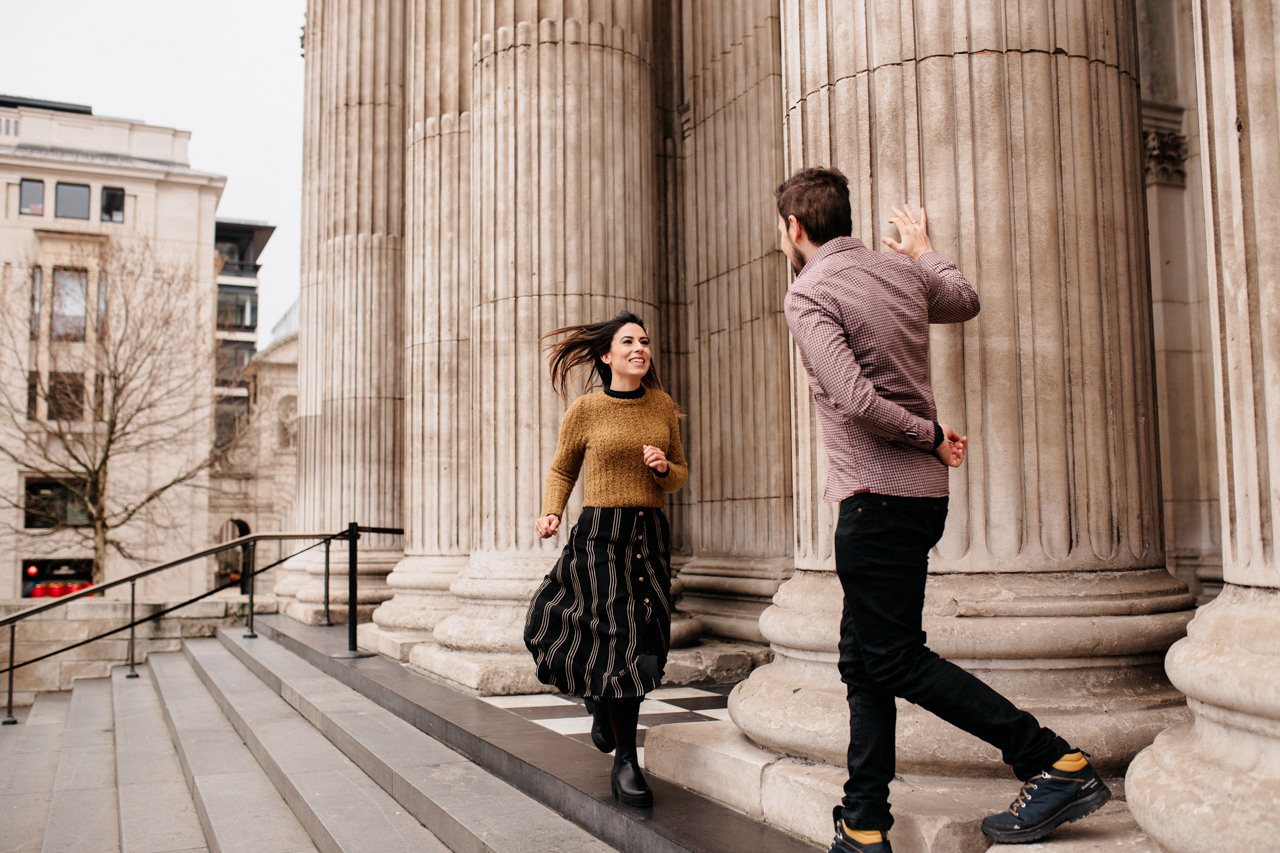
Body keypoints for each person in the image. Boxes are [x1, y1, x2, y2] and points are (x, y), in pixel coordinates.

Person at [776, 168, 1111, 853]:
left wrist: (929, 432)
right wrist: (924, 249)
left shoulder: (807, 292)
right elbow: (963, 297)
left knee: (892, 658)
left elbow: (855, 401)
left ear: (795, 229)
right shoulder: (897, 272)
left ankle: (1054, 759)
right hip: (921, 497)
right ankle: (864, 821)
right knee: (863, 658)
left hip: (875, 498)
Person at [524, 310, 688, 809]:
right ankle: (626, 761)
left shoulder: (661, 405)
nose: (640, 348)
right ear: (607, 354)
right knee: (618, 636)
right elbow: (562, 466)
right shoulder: (587, 410)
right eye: (628, 342)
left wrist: (663, 468)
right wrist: (551, 511)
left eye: (644, 341)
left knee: (648, 638)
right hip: (599, 534)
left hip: (648, 535)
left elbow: (679, 472)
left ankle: (603, 701)